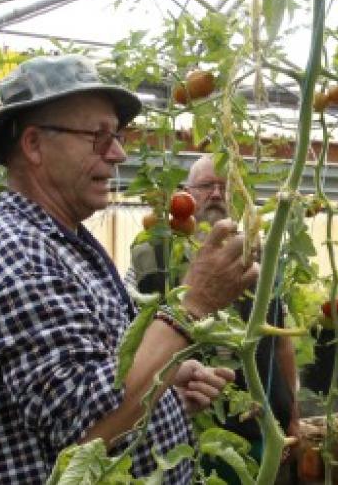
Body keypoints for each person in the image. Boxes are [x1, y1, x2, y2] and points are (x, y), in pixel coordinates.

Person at [0, 54, 256, 484]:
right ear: (34, 145)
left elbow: (97, 377)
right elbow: (88, 430)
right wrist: (193, 305)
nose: (118, 153)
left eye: (117, 135)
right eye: (98, 136)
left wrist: (163, 385)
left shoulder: (60, 240)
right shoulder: (20, 257)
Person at [129, 154, 301, 479]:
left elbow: (280, 341)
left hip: (261, 425)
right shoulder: (153, 255)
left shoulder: (258, 256)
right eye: (208, 185)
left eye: (225, 186)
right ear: (187, 193)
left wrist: (292, 413)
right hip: (190, 427)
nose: (217, 194)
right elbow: (135, 342)